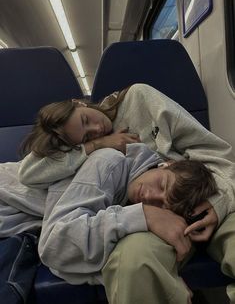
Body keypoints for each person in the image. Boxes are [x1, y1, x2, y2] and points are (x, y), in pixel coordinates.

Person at [19, 83, 235, 303]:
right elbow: (28, 172)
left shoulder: (138, 98)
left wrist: (219, 201)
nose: (96, 129)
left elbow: (216, 153)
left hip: (207, 188)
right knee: (136, 260)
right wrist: (95, 145)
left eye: (86, 119)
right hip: (153, 218)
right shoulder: (103, 158)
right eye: (86, 137)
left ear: (78, 102)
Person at [37, 143, 217, 292]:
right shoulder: (109, 161)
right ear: (166, 164)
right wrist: (145, 214)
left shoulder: (131, 194)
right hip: (10, 213)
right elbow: (55, 246)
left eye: (162, 206)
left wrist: (164, 275)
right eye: (162, 184)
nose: (149, 197)